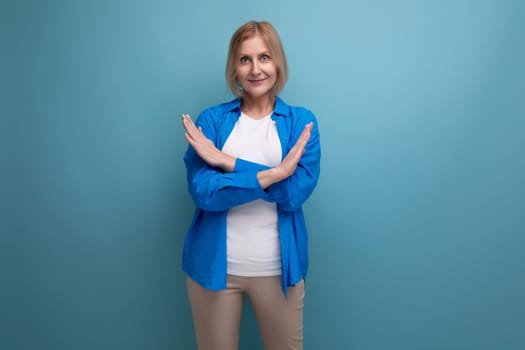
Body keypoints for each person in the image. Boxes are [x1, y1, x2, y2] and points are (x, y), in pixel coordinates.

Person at [181, 20, 321, 350]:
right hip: (214, 271)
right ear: (234, 66)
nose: (255, 69)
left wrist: (227, 162)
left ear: (277, 63)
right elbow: (205, 193)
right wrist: (273, 173)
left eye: (264, 57)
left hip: (279, 271)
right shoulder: (212, 121)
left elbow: (293, 195)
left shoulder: (301, 122)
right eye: (245, 59)